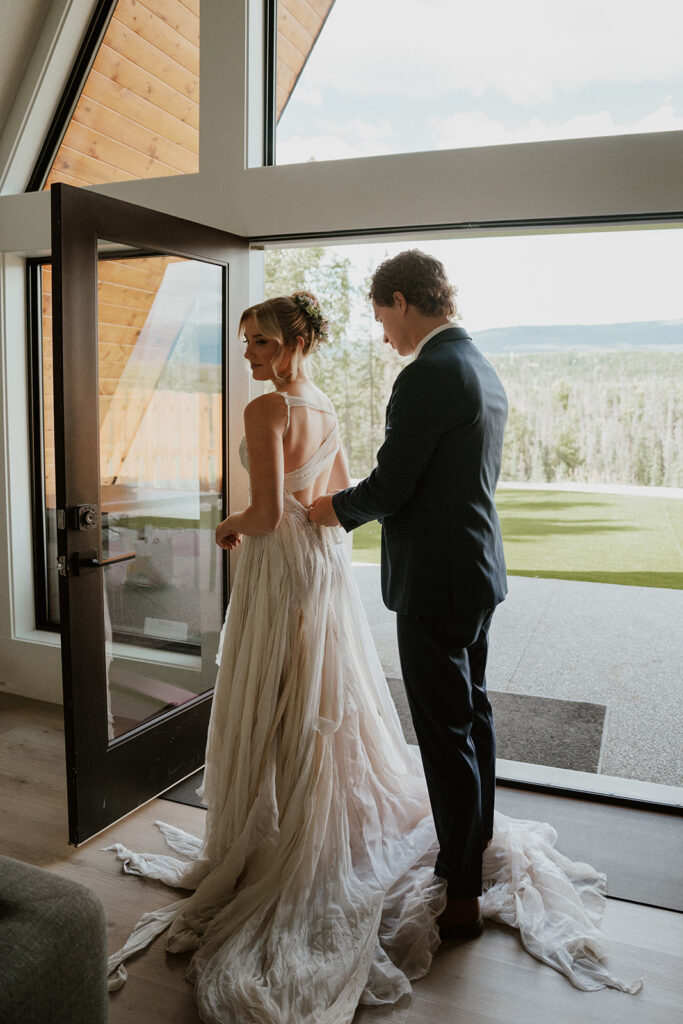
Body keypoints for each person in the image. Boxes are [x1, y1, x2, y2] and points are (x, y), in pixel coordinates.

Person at [105, 289, 640, 1024]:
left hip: (279, 565)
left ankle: (287, 829)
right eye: (245, 344)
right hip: (320, 561)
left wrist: (226, 526)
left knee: (279, 690)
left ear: (297, 343)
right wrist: (312, 523)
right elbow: (344, 492)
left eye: (262, 342)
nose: (251, 356)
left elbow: (264, 514)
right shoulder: (321, 404)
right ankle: (324, 814)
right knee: (318, 688)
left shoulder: (267, 411)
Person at [308, 249, 506, 938]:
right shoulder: (479, 366)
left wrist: (326, 509)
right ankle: (470, 846)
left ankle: (459, 891)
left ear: (400, 300)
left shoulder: (427, 374)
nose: (382, 335)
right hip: (475, 572)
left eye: (380, 317)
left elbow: (392, 487)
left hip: (435, 581)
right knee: (472, 715)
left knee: (443, 730)